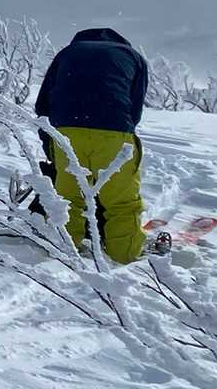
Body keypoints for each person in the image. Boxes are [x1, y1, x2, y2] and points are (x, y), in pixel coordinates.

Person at [33, 27, 150, 263]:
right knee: (121, 201)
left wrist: (51, 146)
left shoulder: (67, 53)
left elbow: (42, 104)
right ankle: (124, 254)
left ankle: (63, 251)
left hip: (66, 131)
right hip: (114, 130)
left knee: (67, 197)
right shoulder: (133, 57)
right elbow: (135, 107)